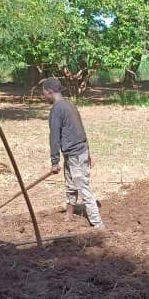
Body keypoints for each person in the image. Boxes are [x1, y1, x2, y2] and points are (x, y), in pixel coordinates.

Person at [42, 77, 104, 229]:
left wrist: (54, 162)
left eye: (44, 93)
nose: (43, 96)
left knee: (82, 188)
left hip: (76, 155)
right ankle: (69, 214)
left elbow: (54, 137)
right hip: (74, 153)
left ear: (50, 92)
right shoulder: (69, 104)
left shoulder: (57, 109)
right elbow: (81, 128)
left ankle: (98, 224)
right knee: (70, 185)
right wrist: (88, 151)